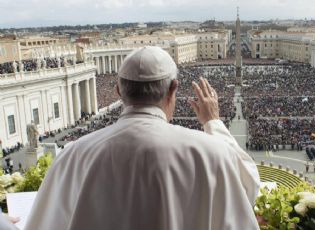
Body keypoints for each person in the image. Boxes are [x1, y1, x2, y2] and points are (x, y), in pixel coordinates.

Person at [25, 47, 260, 230]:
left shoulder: (74, 155)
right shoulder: (211, 153)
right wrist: (213, 123)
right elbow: (249, 186)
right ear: (173, 90)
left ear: (118, 91)